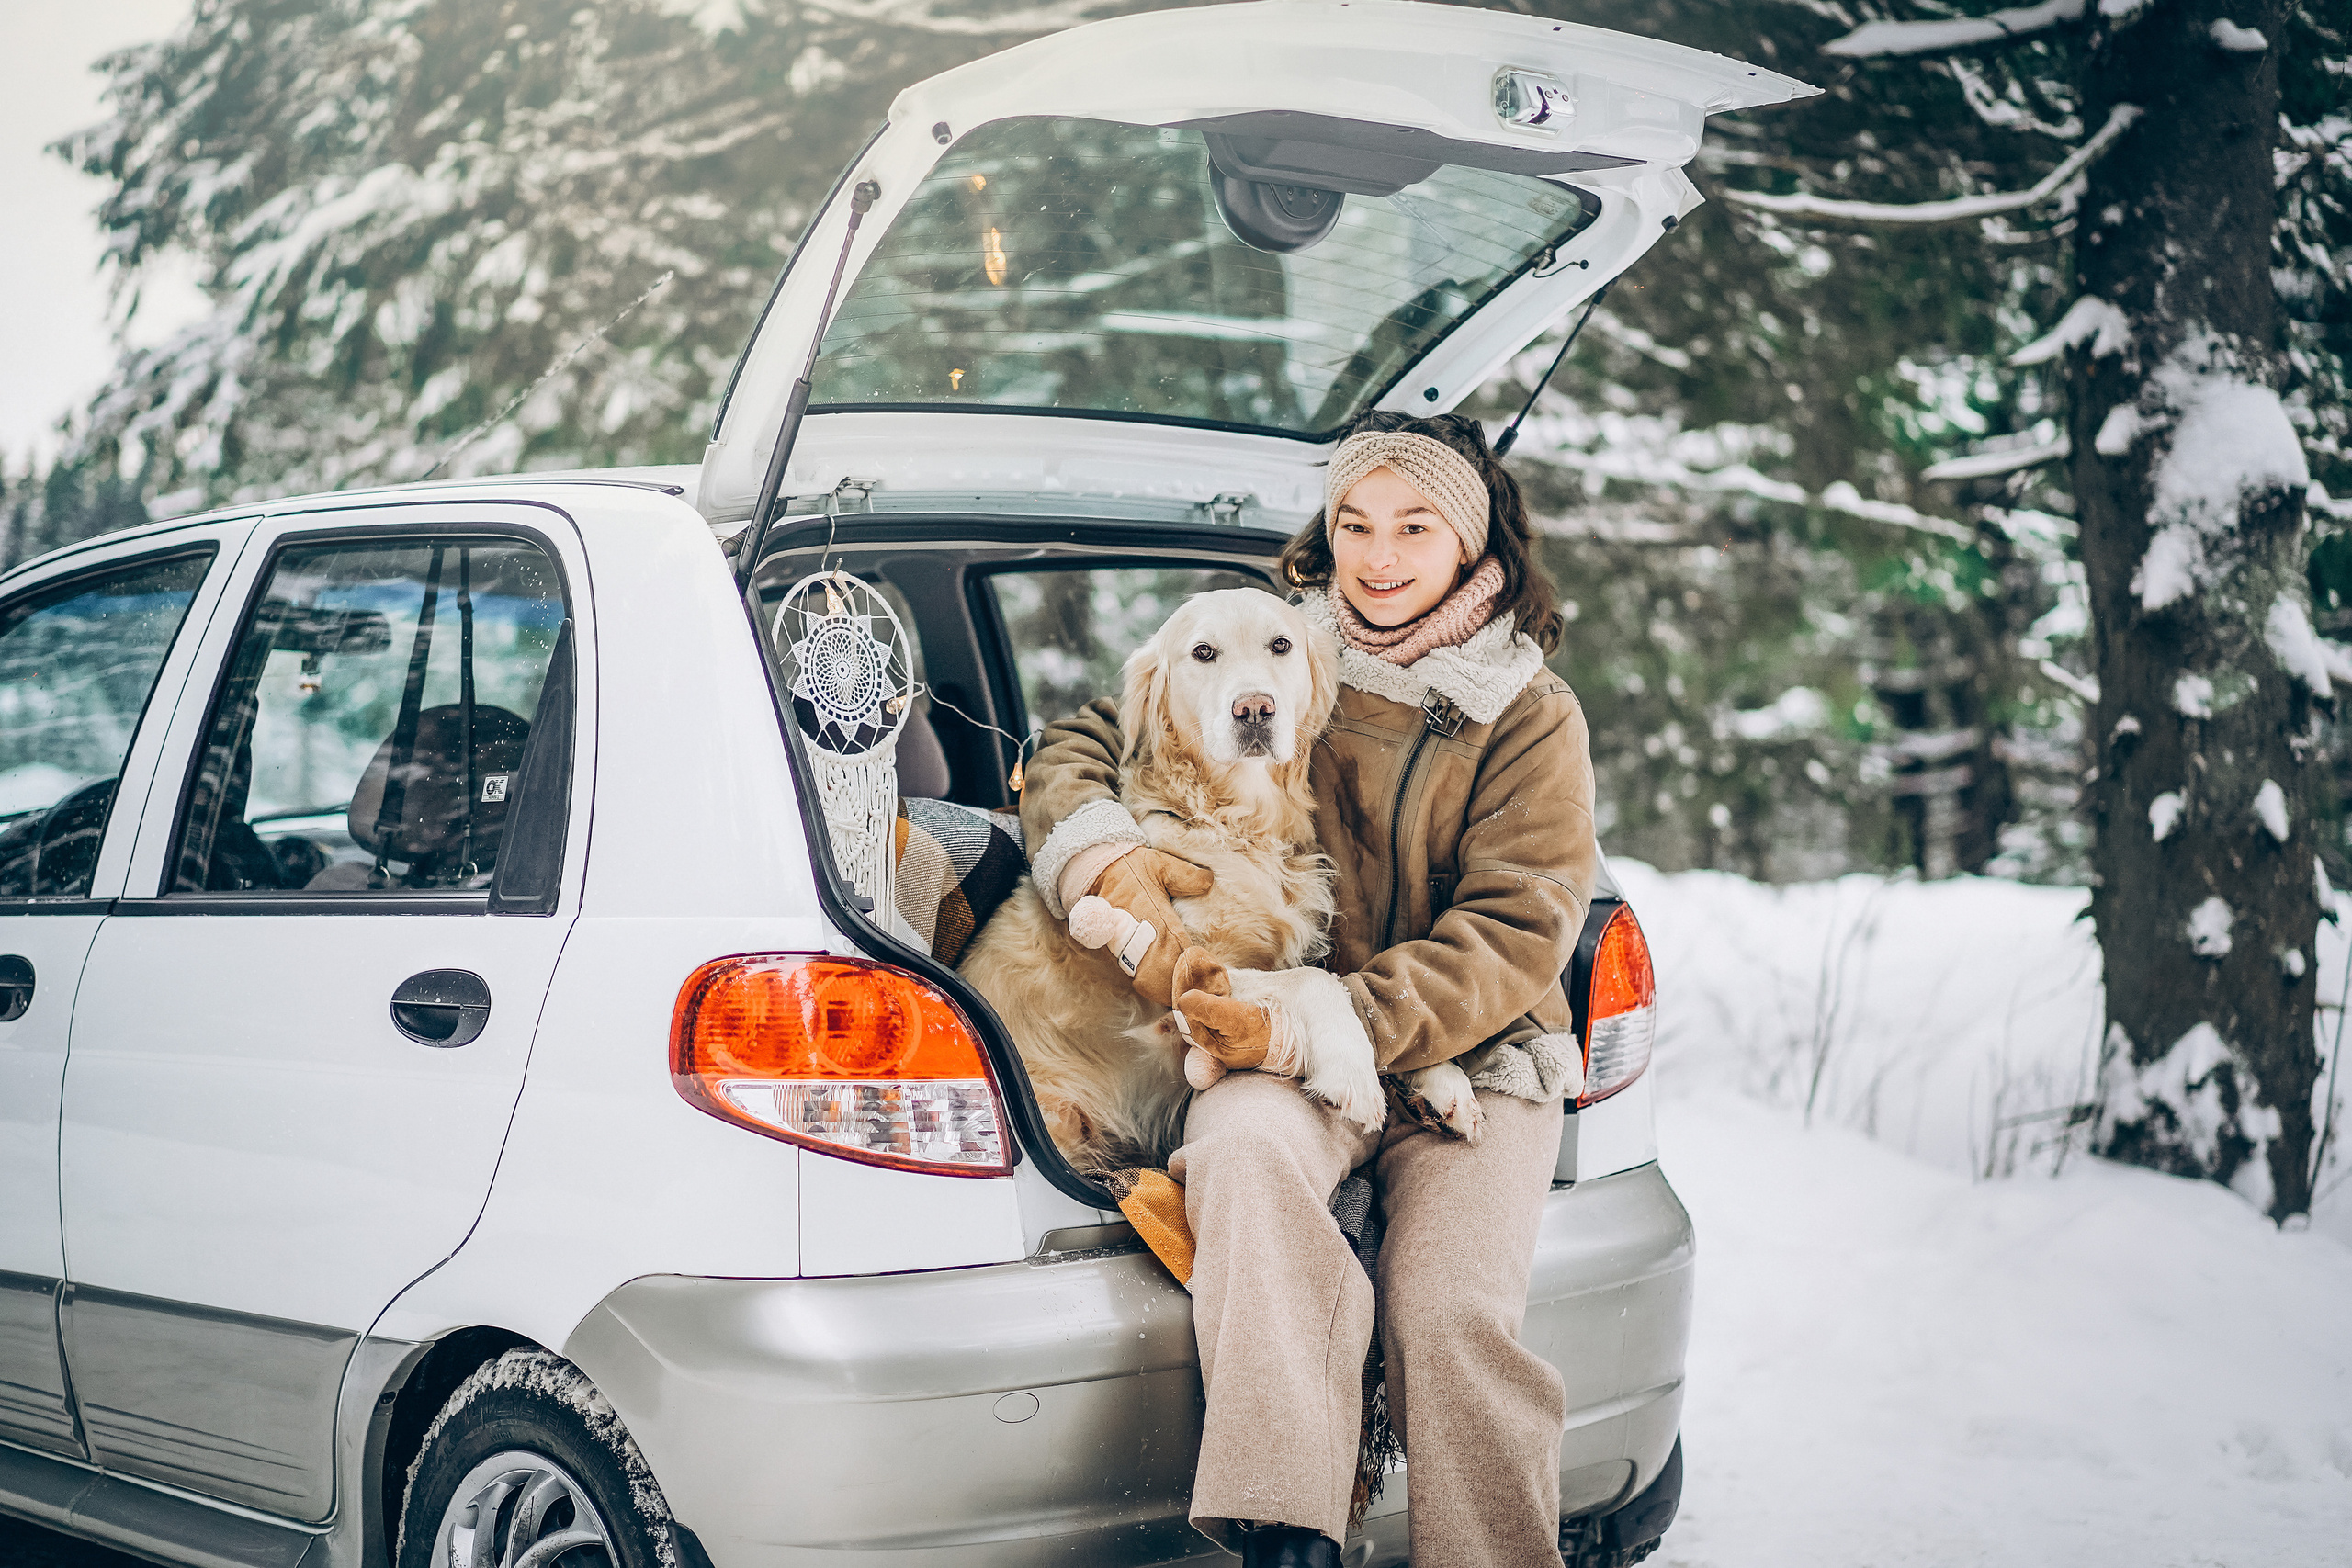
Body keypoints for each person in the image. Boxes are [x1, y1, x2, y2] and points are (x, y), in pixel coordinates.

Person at [1018, 411, 1600, 1568]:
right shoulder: (1277, 645)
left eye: (1412, 527)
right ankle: (1290, 1535)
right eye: (1354, 525)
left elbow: (1517, 932)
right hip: (1277, 1030)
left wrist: (1332, 1022)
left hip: (1469, 1055)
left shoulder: (1528, 712)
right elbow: (1081, 741)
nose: (1378, 557)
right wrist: (1097, 854)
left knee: (1445, 1313)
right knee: (1237, 1152)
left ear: (1472, 542)